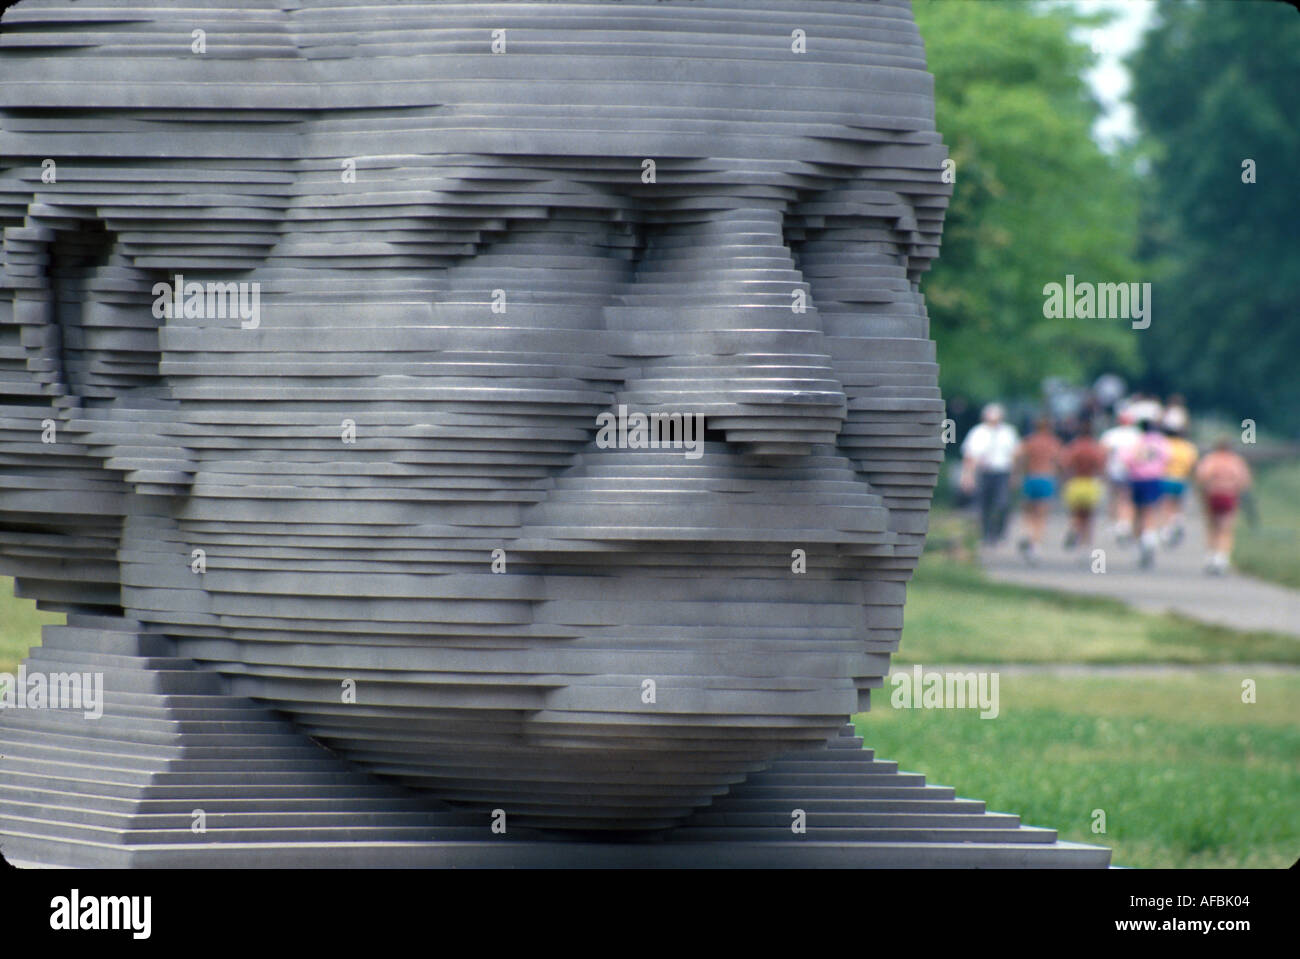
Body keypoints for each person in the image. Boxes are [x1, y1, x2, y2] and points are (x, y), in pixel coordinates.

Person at [960, 403, 1019, 545]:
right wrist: (967, 476)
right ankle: (986, 534)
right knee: (984, 504)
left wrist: (1015, 474)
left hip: (1002, 471)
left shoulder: (1008, 432)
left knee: (1002, 503)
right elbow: (969, 456)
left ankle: (999, 532)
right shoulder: (978, 432)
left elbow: (1015, 455)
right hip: (984, 472)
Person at [1195, 438, 1253, 575]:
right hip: (1229, 494)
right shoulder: (1236, 461)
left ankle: (1211, 555)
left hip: (1213, 493)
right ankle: (1222, 557)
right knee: (1226, 528)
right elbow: (1244, 481)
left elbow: (1201, 476)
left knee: (1212, 526)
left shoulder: (1211, 459)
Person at [1122, 419, 1171, 568]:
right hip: (1154, 478)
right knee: (1150, 510)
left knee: (1137, 512)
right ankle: (1148, 536)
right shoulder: (1160, 442)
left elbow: (1127, 460)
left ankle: (1139, 542)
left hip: (1137, 479)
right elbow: (1167, 459)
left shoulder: (1136, 442)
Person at [1014, 416, 1063, 563]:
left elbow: (1017, 456)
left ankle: (1027, 533)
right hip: (1046, 478)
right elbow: (1061, 461)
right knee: (1041, 515)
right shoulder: (1053, 443)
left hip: (1031, 477)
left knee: (1028, 511)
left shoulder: (1029, 442)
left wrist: (1017, 473)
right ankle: (1035, 545)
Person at [1060, 417, 1108, 550]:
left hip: (1076, 482)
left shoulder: (1074, 447)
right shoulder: (1095, 448)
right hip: (1090, 483)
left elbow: (1065, 464)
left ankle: (1074, 529)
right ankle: (1085, 545)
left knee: (1075, 513)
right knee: (1089, 516)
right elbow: (1101, 466)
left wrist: (1066, 478)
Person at [1099, 406, 1140, 542]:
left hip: (1113, 469)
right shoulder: (1137, 435)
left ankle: (1116, 522)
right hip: (1131, 470)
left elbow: (1103, 453)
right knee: (1127, 498)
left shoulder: (1110, 435)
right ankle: (1125, 523)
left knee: (1114, 497)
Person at [1159, 420, 1199, 547]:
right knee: (1178, 504)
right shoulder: (1188, 447)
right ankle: (1177, 521)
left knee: (1166, 505)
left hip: (1166, 478)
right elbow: (1193, 466)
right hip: (1182, 479)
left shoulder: (1165, 445)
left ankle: (1167, 529)